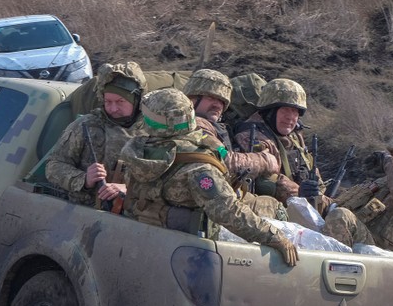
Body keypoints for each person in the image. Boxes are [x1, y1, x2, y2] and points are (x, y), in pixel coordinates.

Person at [121, 87, 299, 266]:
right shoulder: (198, 167)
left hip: (146, 239)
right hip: (192, 253)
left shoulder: (137, 151)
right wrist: (273, 236)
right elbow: (228, 211)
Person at [183, 68, 285, 220]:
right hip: (206, 200)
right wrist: (264, 160)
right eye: (211, 98)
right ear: (192, 98)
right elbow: (223, 159)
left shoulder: (214, 127)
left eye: (222, 101)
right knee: (277, 211)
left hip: (218, 196)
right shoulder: (195, 124)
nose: (217, 105)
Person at [45, 61, 146, 208]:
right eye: (108, 101)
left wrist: (127, 189)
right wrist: (83, 179)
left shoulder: (150, 132)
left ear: (136, 101)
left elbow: (159, 182)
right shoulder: (85, 126)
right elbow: (53, 166)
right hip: (83, 211)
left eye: (120, 101)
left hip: (130, 217)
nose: (113, 108)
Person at [233, 78, 325, 207]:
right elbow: (268, 180)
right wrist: (300, 193)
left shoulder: (294, 136)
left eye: (295, 111)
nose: (290, 117)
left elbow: (311, 168)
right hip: (268, 209)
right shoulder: (252, 135)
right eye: (285, 110)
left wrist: (323, 198)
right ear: (269, 111)